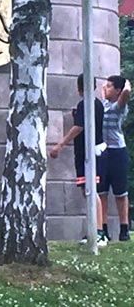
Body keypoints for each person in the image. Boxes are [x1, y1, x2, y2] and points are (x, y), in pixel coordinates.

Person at [50, 74, 109, 246]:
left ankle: (99, 232)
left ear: (79, 88)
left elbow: (79, 127)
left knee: (91, 190)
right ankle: (94, 229)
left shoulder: (86, 104)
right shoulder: (96, 104)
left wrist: (60, 145)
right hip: (90, 152)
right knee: (87, 190)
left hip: (91, 153)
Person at [99, 75, 131, 242]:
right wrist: (106, 87)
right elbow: (102, 89)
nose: (106, 88)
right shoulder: (104, 104)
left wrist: (126, 84)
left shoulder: (119, 107)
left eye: (111, 86)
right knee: (102, 192)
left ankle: (124, 229)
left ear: (117, 90)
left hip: (118, 152)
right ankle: (103, 229)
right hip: (104, 151)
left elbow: (126, 93)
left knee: (120, 192)